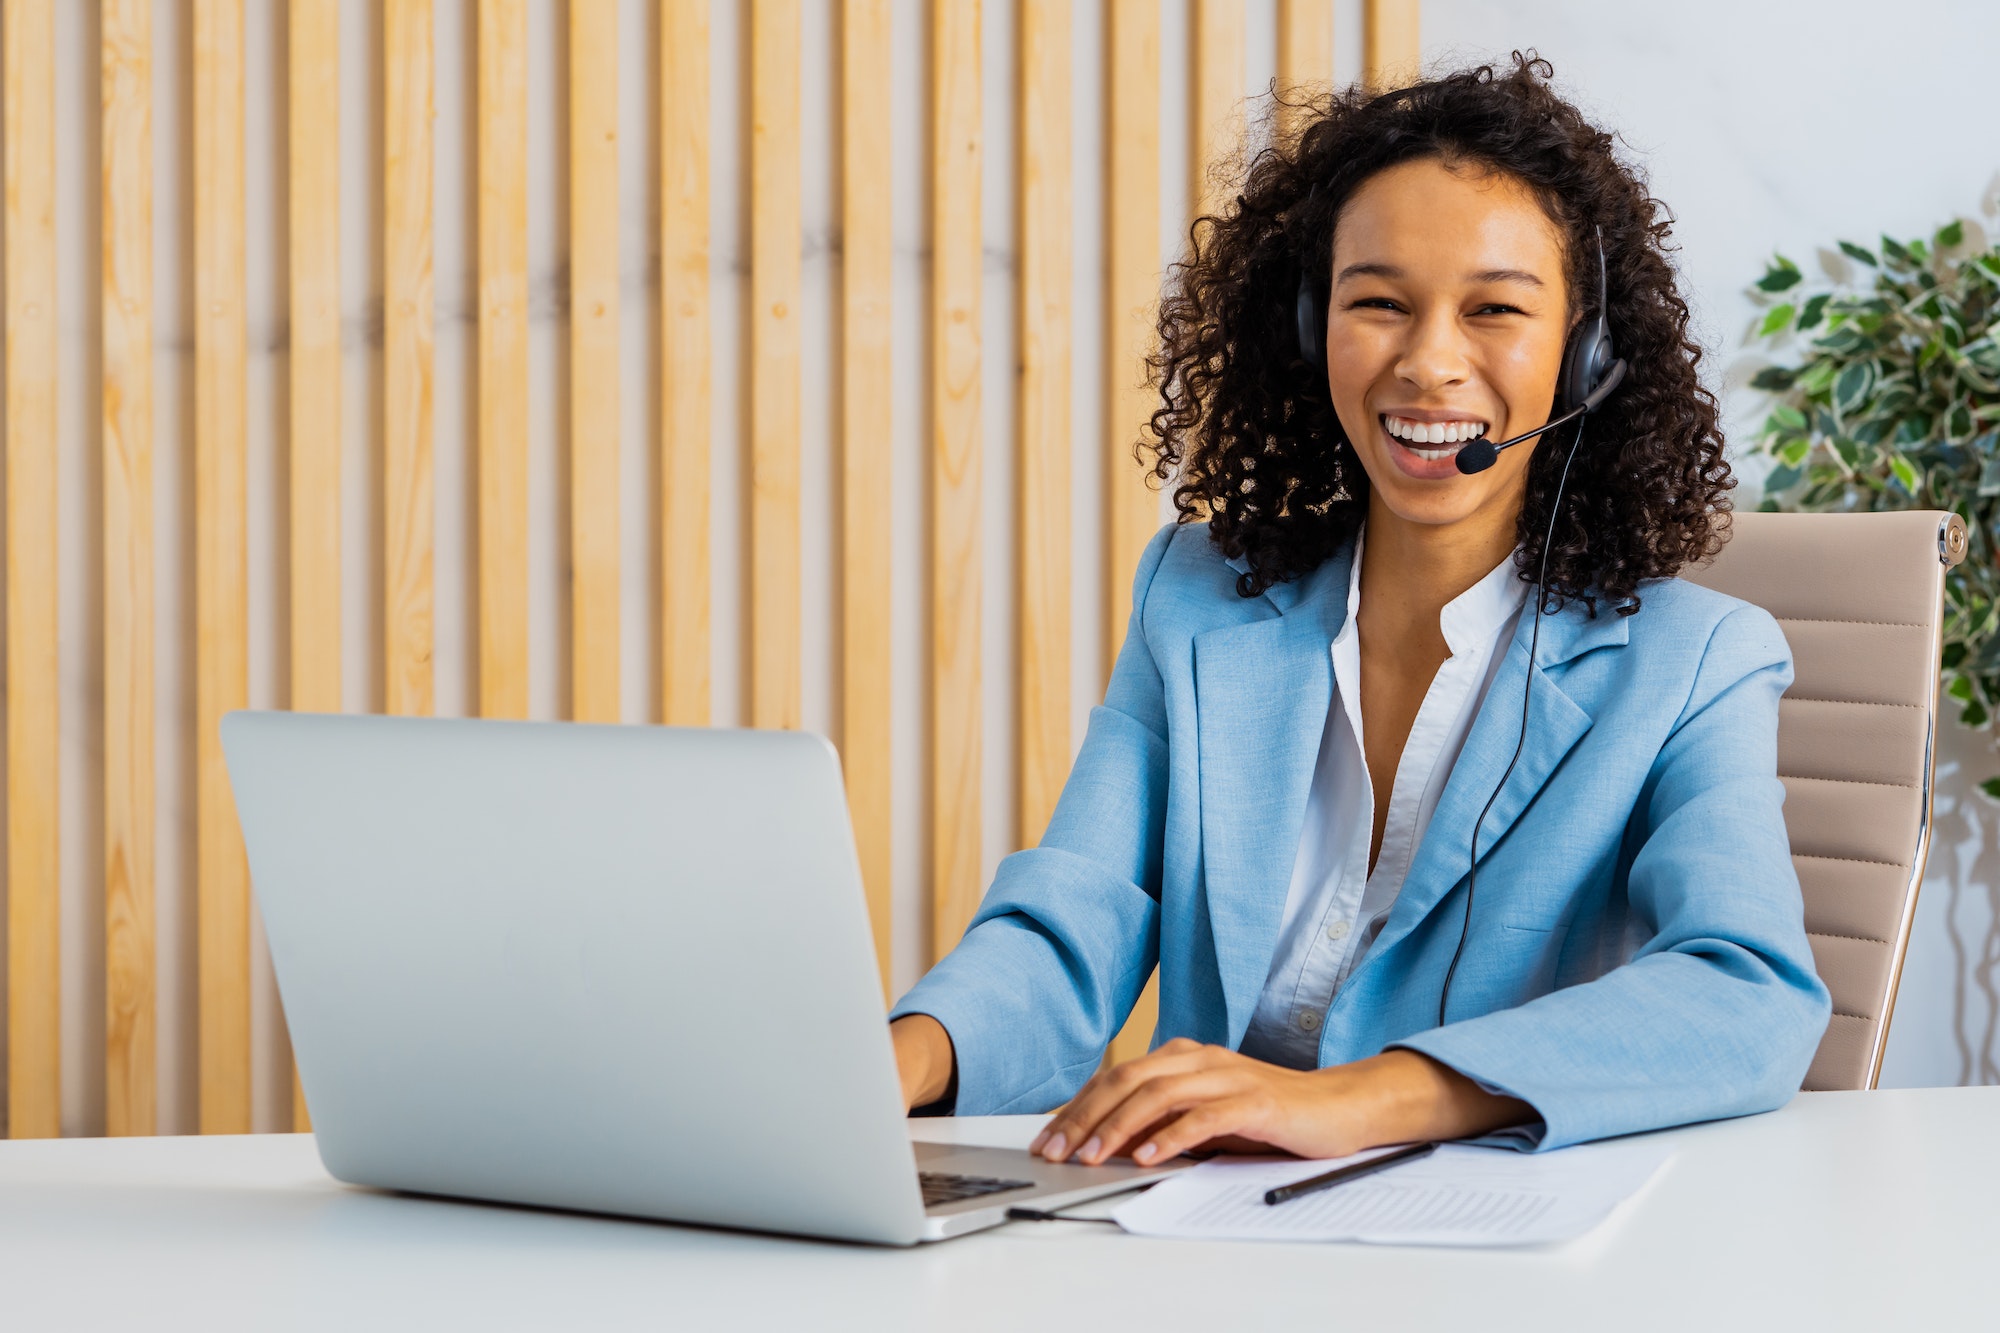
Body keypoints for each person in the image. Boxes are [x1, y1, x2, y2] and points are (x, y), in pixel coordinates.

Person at [889, 54, 1830, 1168]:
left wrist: (1365, 1097)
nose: (1429, 363)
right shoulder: (1192, 600)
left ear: (1585, 358)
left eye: (1493, 310)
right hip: (1194, 1226)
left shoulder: (1692, 663)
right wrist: (891, 1058)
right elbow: (1074, 926)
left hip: (1482, 1238)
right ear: (1307, 328)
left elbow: (1747, 989)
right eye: (1376, 303)